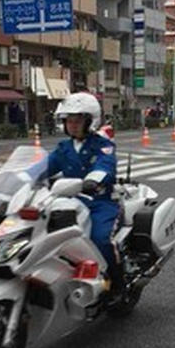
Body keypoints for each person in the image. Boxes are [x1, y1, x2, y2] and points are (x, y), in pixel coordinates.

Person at [44, 92, 124, 295]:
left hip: (100, 202)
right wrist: (20, 177)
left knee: (100, 239)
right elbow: (43, 167)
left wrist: (92, 181)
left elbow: (105, 166)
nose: (72, 125)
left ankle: (117, 284)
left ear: (90, 121)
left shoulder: (102, 145)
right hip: (70, 201)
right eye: (68, 121)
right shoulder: (64, 147)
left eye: (77, 120)